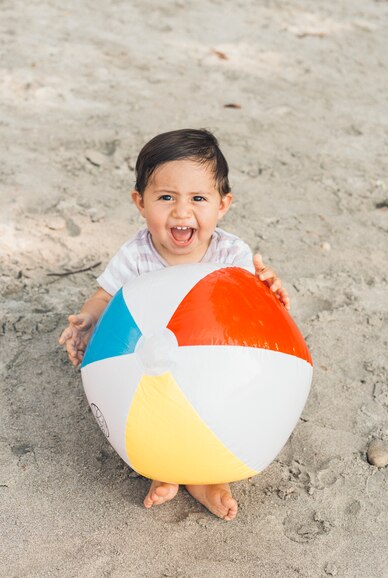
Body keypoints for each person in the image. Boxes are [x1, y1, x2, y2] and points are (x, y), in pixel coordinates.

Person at [59, 128, 290, 521]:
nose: (182, 212)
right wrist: (89, 319)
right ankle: (164, 466)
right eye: (166, 197)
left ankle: (206, 479)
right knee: (150, 404)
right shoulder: (136, 255)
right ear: (140, 202)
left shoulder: (231, 254)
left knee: (215, 406)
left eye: (198, 199)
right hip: (148, 363)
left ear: (222, 205)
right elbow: (103, 296)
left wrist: (271, 293)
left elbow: (252, 317)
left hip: (212, 362)